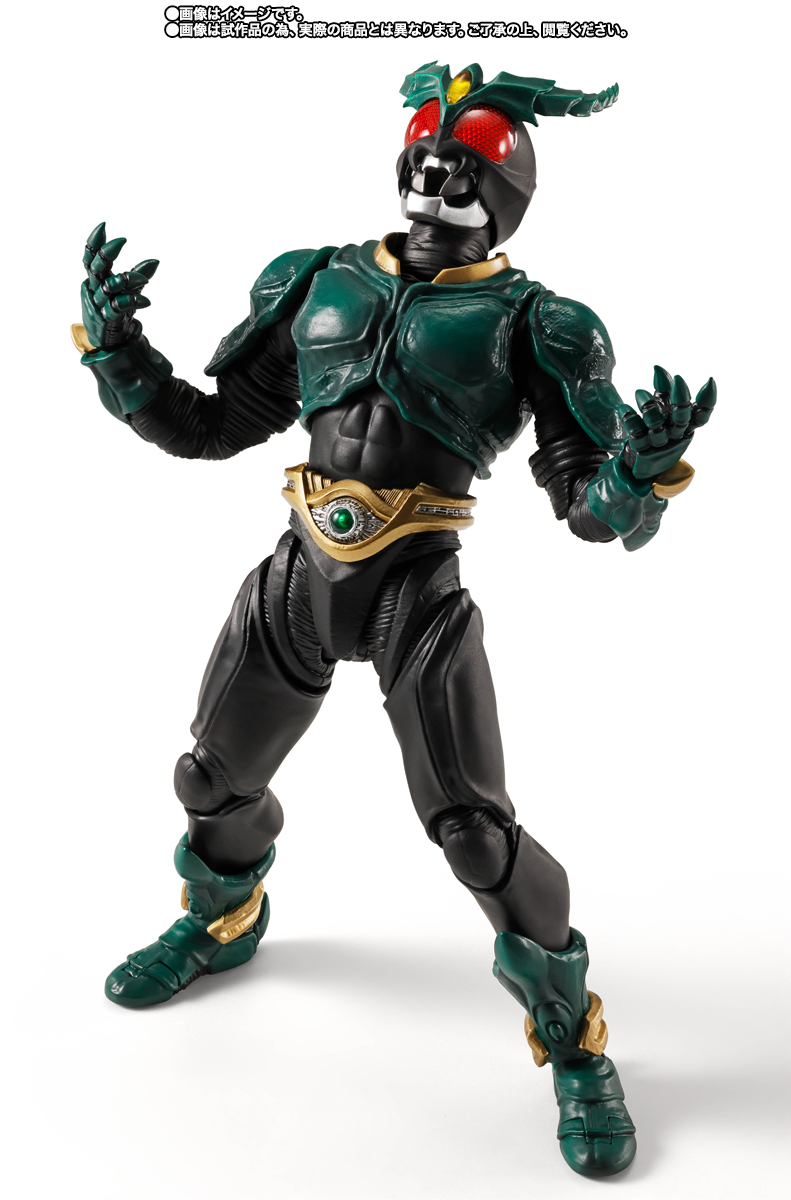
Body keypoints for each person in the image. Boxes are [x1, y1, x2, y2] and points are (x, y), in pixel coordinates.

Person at [72, 62, 716, 1178]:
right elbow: (212, 426)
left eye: (462, 170)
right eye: (423, 159)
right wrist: (117, 350)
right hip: (299, 571)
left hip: (416, 588)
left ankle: (572, 1040)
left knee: (474, 834)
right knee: (209, 780)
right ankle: (222, 918)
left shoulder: (538, 324)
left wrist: (638, 473)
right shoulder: (313, 280)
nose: (433, 181)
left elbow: (585, 505)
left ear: (503, 195)